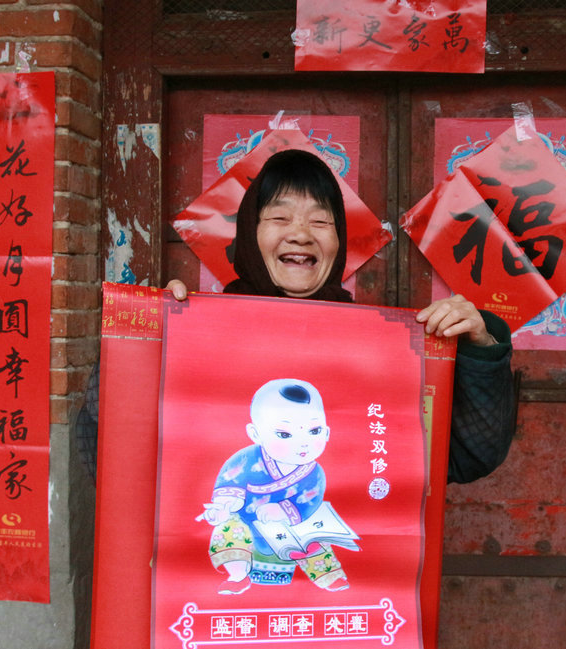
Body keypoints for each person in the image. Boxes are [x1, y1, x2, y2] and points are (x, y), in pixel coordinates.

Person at [78, 148, 515, 484]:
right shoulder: (196, 332)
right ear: (251, 233)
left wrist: (481, 347)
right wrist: (145, 341)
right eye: (280, 217)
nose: (301, 234)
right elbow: (104, 454)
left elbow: (467, 457)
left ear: (339, 240)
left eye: (320, 222)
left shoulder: (378, 347)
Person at [199, 378, 355, 595]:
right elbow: (228, 484)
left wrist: (283, 511)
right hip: (248, 521)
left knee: (313, 537)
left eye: (314, 431)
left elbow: (310, 502)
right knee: (228, 528)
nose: (303, 442)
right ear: (255, 434)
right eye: (284, 434)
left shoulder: (314, 473)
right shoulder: (246, 459)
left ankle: (328, 578)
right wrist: (223, 507)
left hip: (289, 525)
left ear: (327, 432)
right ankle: (237, 576)